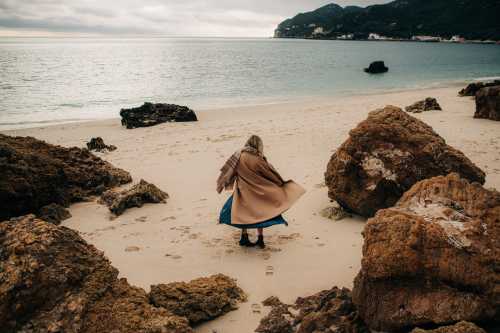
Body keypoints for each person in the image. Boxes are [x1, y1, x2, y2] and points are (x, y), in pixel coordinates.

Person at [216, 135, 305, 249]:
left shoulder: (238, 155)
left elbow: (229, 170)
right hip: (257, 192)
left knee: (242, 213)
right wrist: (280, 182)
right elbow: (270, 173)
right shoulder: (258, 159)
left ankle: (244, 238)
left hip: (242, 191)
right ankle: (260, 239)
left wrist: (225, 183)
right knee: (262, 214)